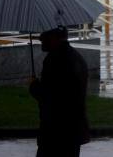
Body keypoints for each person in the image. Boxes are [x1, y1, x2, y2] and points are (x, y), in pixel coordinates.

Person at [29, 27, 90, 157]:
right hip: (73, 131)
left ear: (53, 38)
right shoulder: (76, 57)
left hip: (56, 132)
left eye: (44, 35)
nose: (40, 38)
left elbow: (50, 97)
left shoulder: (54, 60)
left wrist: (34, 86)